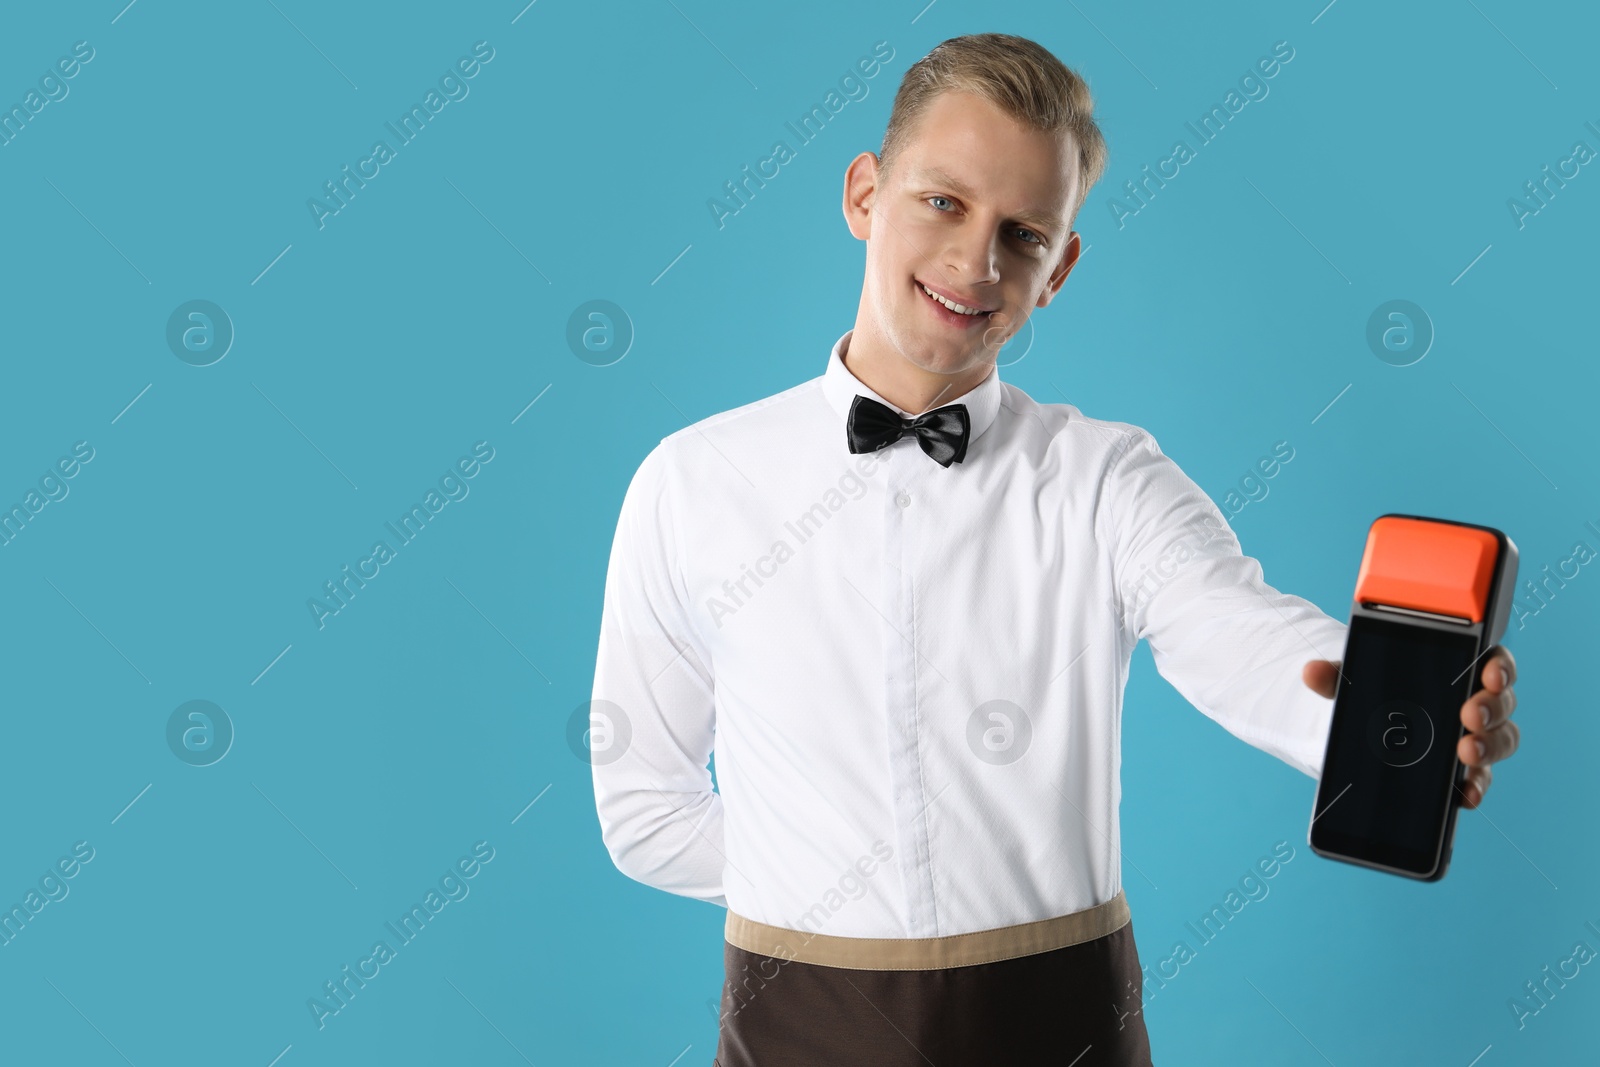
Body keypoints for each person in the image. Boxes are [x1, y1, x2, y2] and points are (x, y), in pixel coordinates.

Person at [587, 32, 1521, 1066]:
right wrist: (832, 885)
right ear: (864, 195)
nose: (974, 261)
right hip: (794, 1022)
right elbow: (641, 806)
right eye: (943, 201)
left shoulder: (1107, 477)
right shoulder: (691, 478)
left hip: (1063, 1022)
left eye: (1022, 233)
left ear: (1059, 267)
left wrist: (1372, 716)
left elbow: (1238, 637)